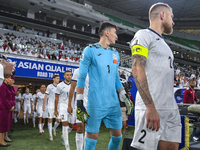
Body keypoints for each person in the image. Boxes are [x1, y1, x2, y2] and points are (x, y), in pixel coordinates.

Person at [130, 3, 181, 150]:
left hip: (170, 107)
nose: (173, 21)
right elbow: (137, 68)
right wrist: (150, 106)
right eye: (171, 16)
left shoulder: (165, 44)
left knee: (172, 146)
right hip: (152, 106)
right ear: (162, 15)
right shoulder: (143, 35)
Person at [76, 22, 133, 150]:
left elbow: (115, 78)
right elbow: (81, 77)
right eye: (115, 33)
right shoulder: (89, 50)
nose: (116, 36)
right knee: (91, 139)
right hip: (96, 103)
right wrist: (79, 100)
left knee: (117, 137)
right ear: (107, 33)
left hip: (113, 104)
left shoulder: (115, 54)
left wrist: (125, 96)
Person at [67, 68, 89, 150]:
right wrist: (69, 104)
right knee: (80, 128)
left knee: (89, 129)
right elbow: (72, 88)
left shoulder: (95, 70)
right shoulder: (78, 71)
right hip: (80, 103)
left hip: (92, 104)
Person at [54, 70, 75, 150]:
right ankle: (67, 145)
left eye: (70, 75)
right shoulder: (60, 85)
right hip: (62, 106)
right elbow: (56, 98)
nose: (69, 76)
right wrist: (56, 110)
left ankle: (63, 135)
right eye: (67, 75)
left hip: (72, 107)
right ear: (64, 76)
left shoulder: (74, 85)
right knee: (65, 123)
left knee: (71, 126)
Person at [43, 74, 60, 141]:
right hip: (50, 105)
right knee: (50, 120)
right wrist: (44, 104)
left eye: (58, 78)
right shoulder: (49, 86)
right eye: (57, 78)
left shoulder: (60, 87)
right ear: (53, 79)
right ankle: (50, 136)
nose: (58, 79)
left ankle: (54, 128)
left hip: (58, 106)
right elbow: (46, 96)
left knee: (58, 121)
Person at [0, 76, 15, 147]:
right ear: (5, 78)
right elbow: (4, 98)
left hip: (6, 107)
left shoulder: (6, 85)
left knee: (5, 124)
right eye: (9, 78)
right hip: (3, 107)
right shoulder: (2, 86)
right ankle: (1, 141)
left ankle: (3, 139)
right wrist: (10, 106)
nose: (11, 80)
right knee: (2, 124)